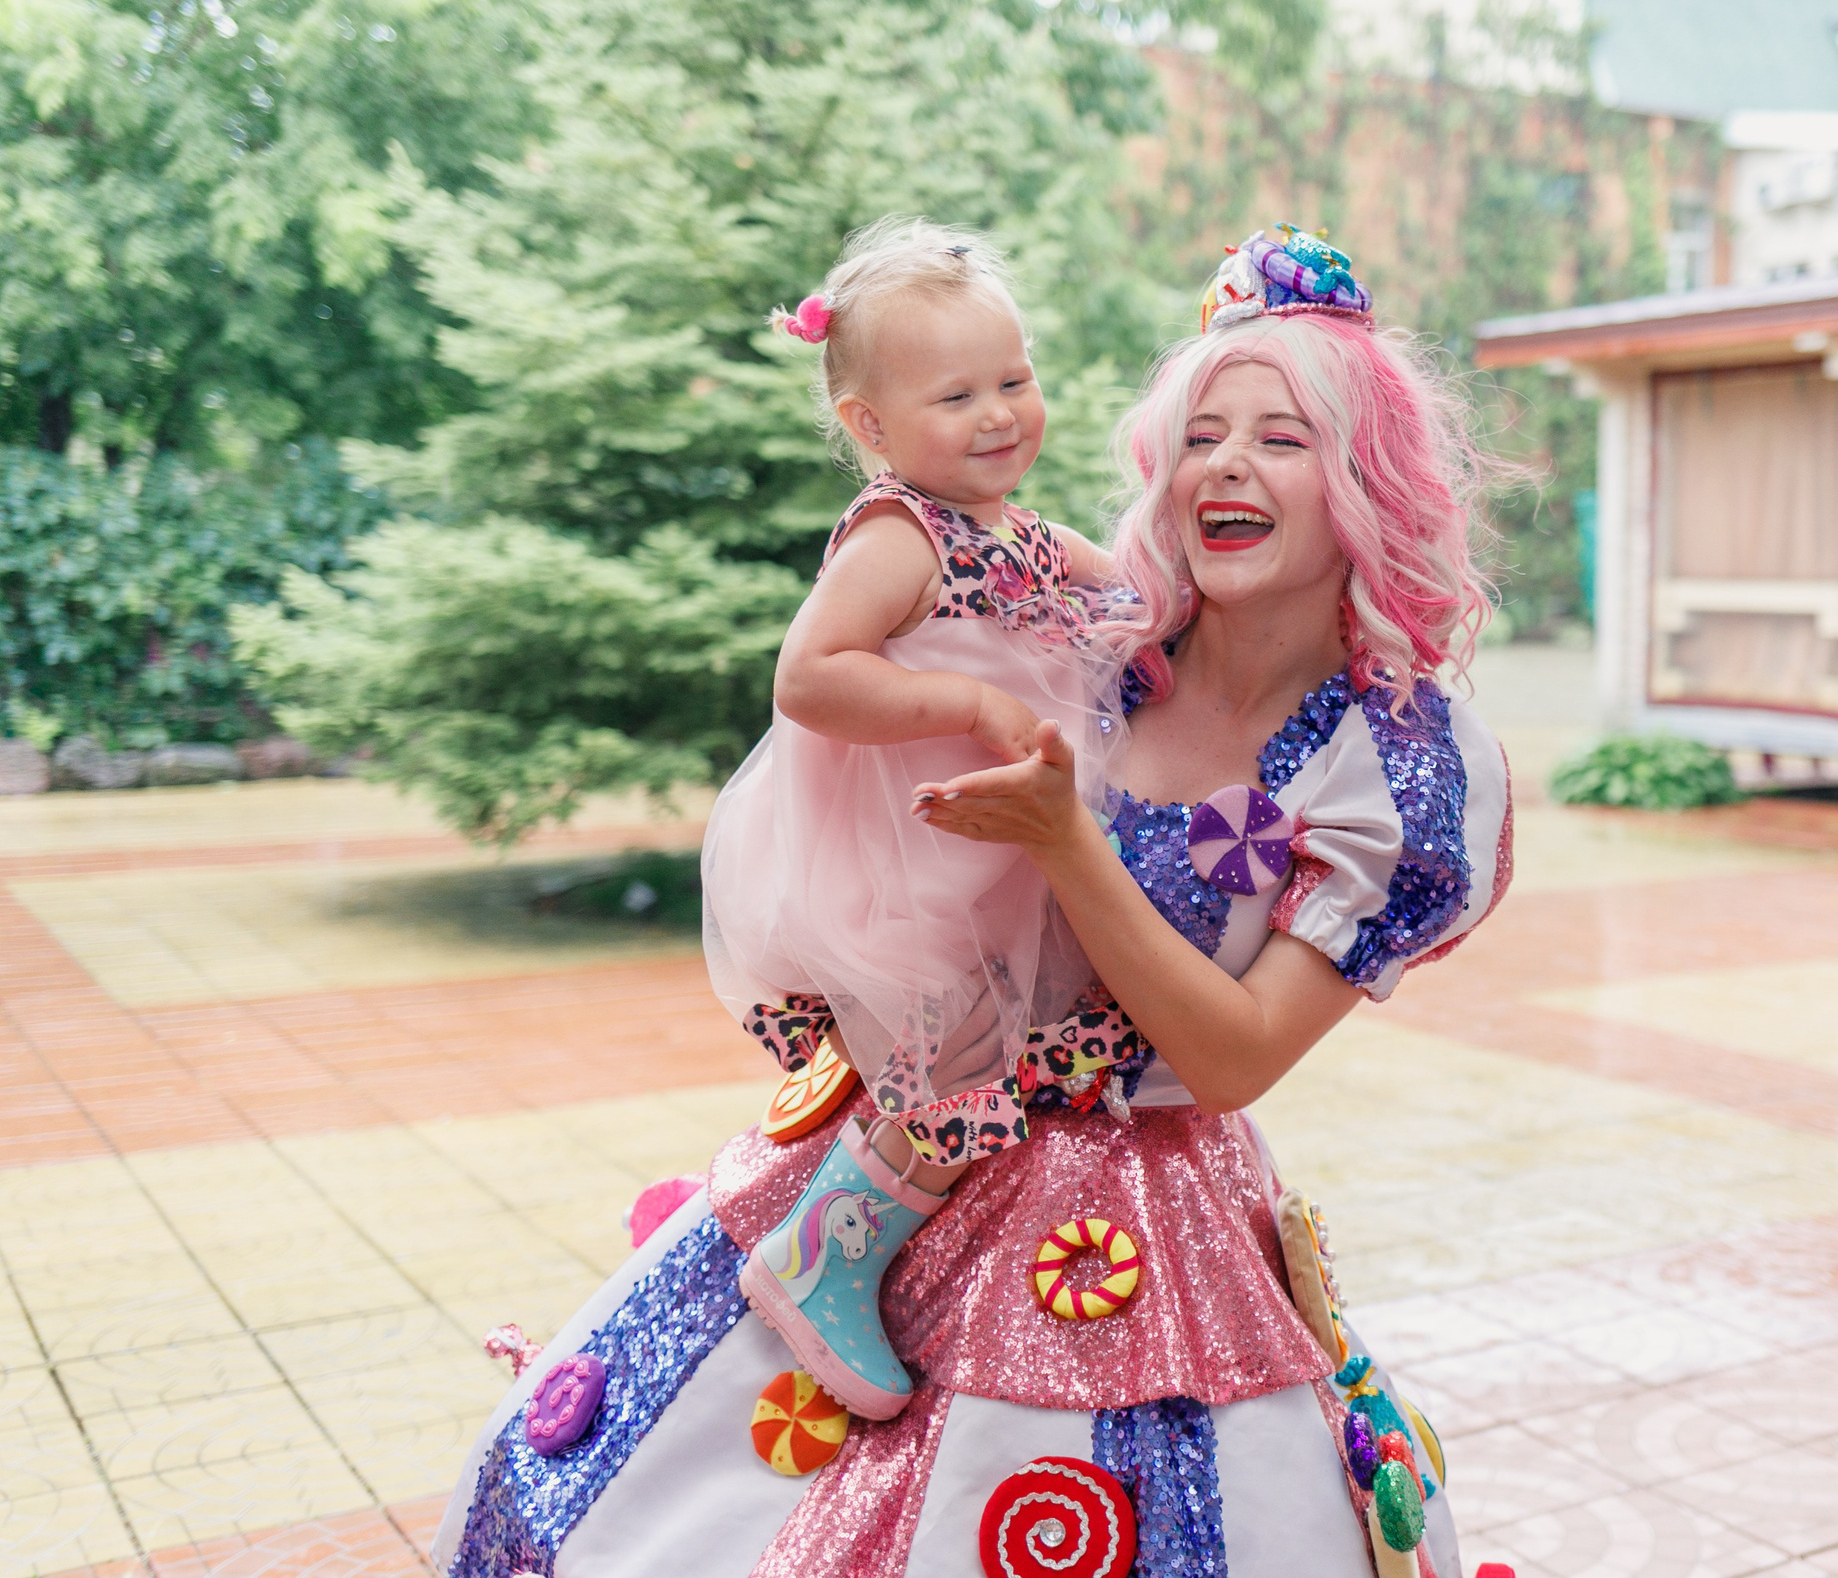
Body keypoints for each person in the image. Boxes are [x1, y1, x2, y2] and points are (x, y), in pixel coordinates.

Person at [428, 225, 1515, 1578]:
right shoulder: (1109, 639)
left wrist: (1069, 840)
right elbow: (865, 669)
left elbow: (1232, 1056)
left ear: (1364, 480)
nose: (1227, 466)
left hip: (1146, 1219)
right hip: (926, 1125)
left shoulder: (1395, 757)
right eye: (1200, 434)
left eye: (1282, 437)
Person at [700, 217, 1123, 1423]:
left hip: (997, 848)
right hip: (909, 855)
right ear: (872, 428)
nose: (999, 414)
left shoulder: (1021, 532)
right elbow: (810, 674)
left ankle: (882, 1241)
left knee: (1009, 1047)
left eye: (1015, 380)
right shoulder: (899, 535)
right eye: (957, 395)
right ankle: (828, 1253)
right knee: (953, 1062)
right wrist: (959, 695)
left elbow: (1139, 594)